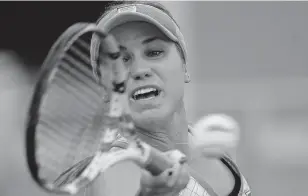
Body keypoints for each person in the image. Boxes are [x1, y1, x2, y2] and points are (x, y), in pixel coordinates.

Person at [88, 1, 252, 196]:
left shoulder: (210, 146)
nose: (139, 70)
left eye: (154, 52)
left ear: (185, 66)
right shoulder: (114, 173)